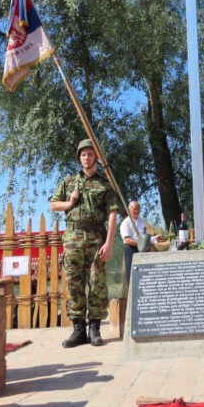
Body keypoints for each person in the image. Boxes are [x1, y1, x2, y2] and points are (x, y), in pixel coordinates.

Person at [50, 139, 118, 348]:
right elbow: (53, 205)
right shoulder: (69, 181)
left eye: (90, 154)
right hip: (73, 239)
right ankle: (78, 329)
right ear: (79, 158)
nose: (86, 157)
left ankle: (95, 329)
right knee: (74, 283)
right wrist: (70, 203)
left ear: (95, 157)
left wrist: (109, 243)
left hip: (97, 238)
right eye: (83, 154)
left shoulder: (105, 184)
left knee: (97, 283)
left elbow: (113, 213)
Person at [120, 201, 151, 287]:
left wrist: (147, 243)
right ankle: (132, 293)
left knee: (143, 272)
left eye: (138, 209)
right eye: (134, 209)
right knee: (131, 272)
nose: (136, 211)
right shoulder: (125, 223)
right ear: (129, 210)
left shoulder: (142, 222)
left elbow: (148, 235)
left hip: (142, 249)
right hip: (130, 249)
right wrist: (140, 243)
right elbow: (127, 240)